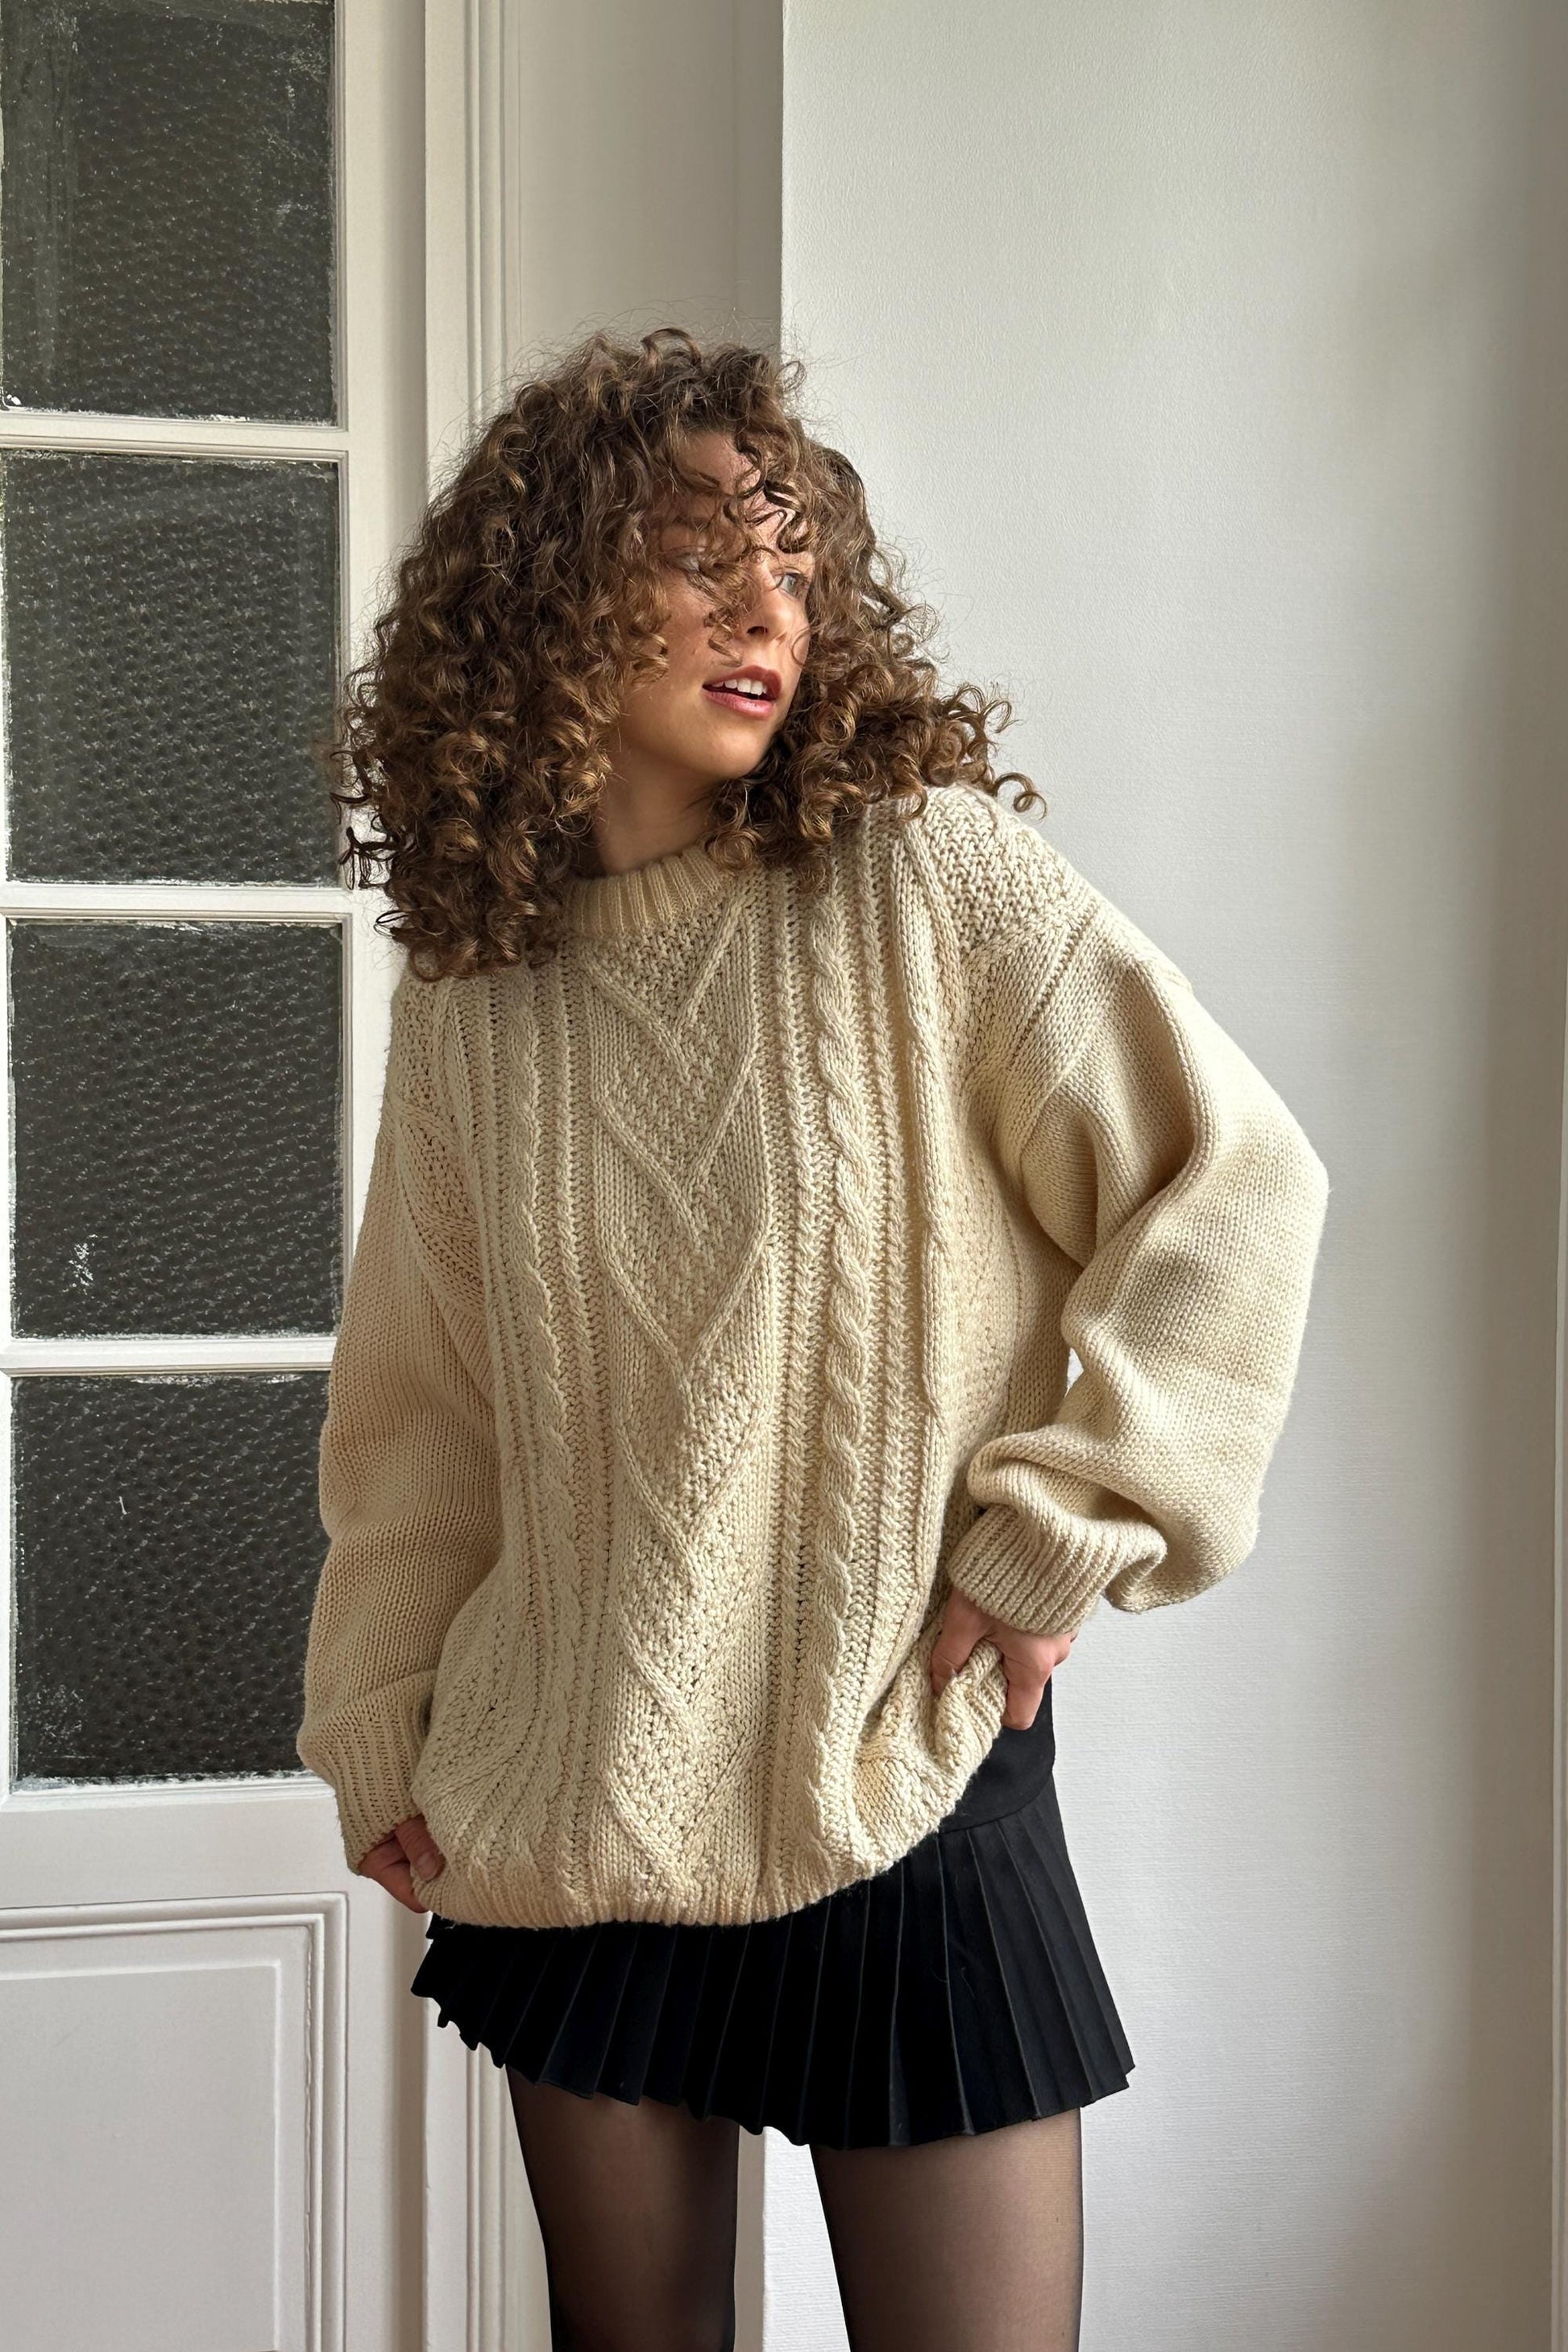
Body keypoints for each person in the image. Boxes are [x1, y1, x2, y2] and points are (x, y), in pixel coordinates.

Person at [295, 325, 1330, 2352]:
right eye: (695, 554)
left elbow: (1230, 1181)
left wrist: (1063, 1523)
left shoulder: (925, 881)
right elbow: (424, 1408)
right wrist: (377, 1698)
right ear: (548, 593)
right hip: (578, 1771)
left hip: (901, 1744)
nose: (763, 607)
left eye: (788, 559)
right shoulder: (480, 996)